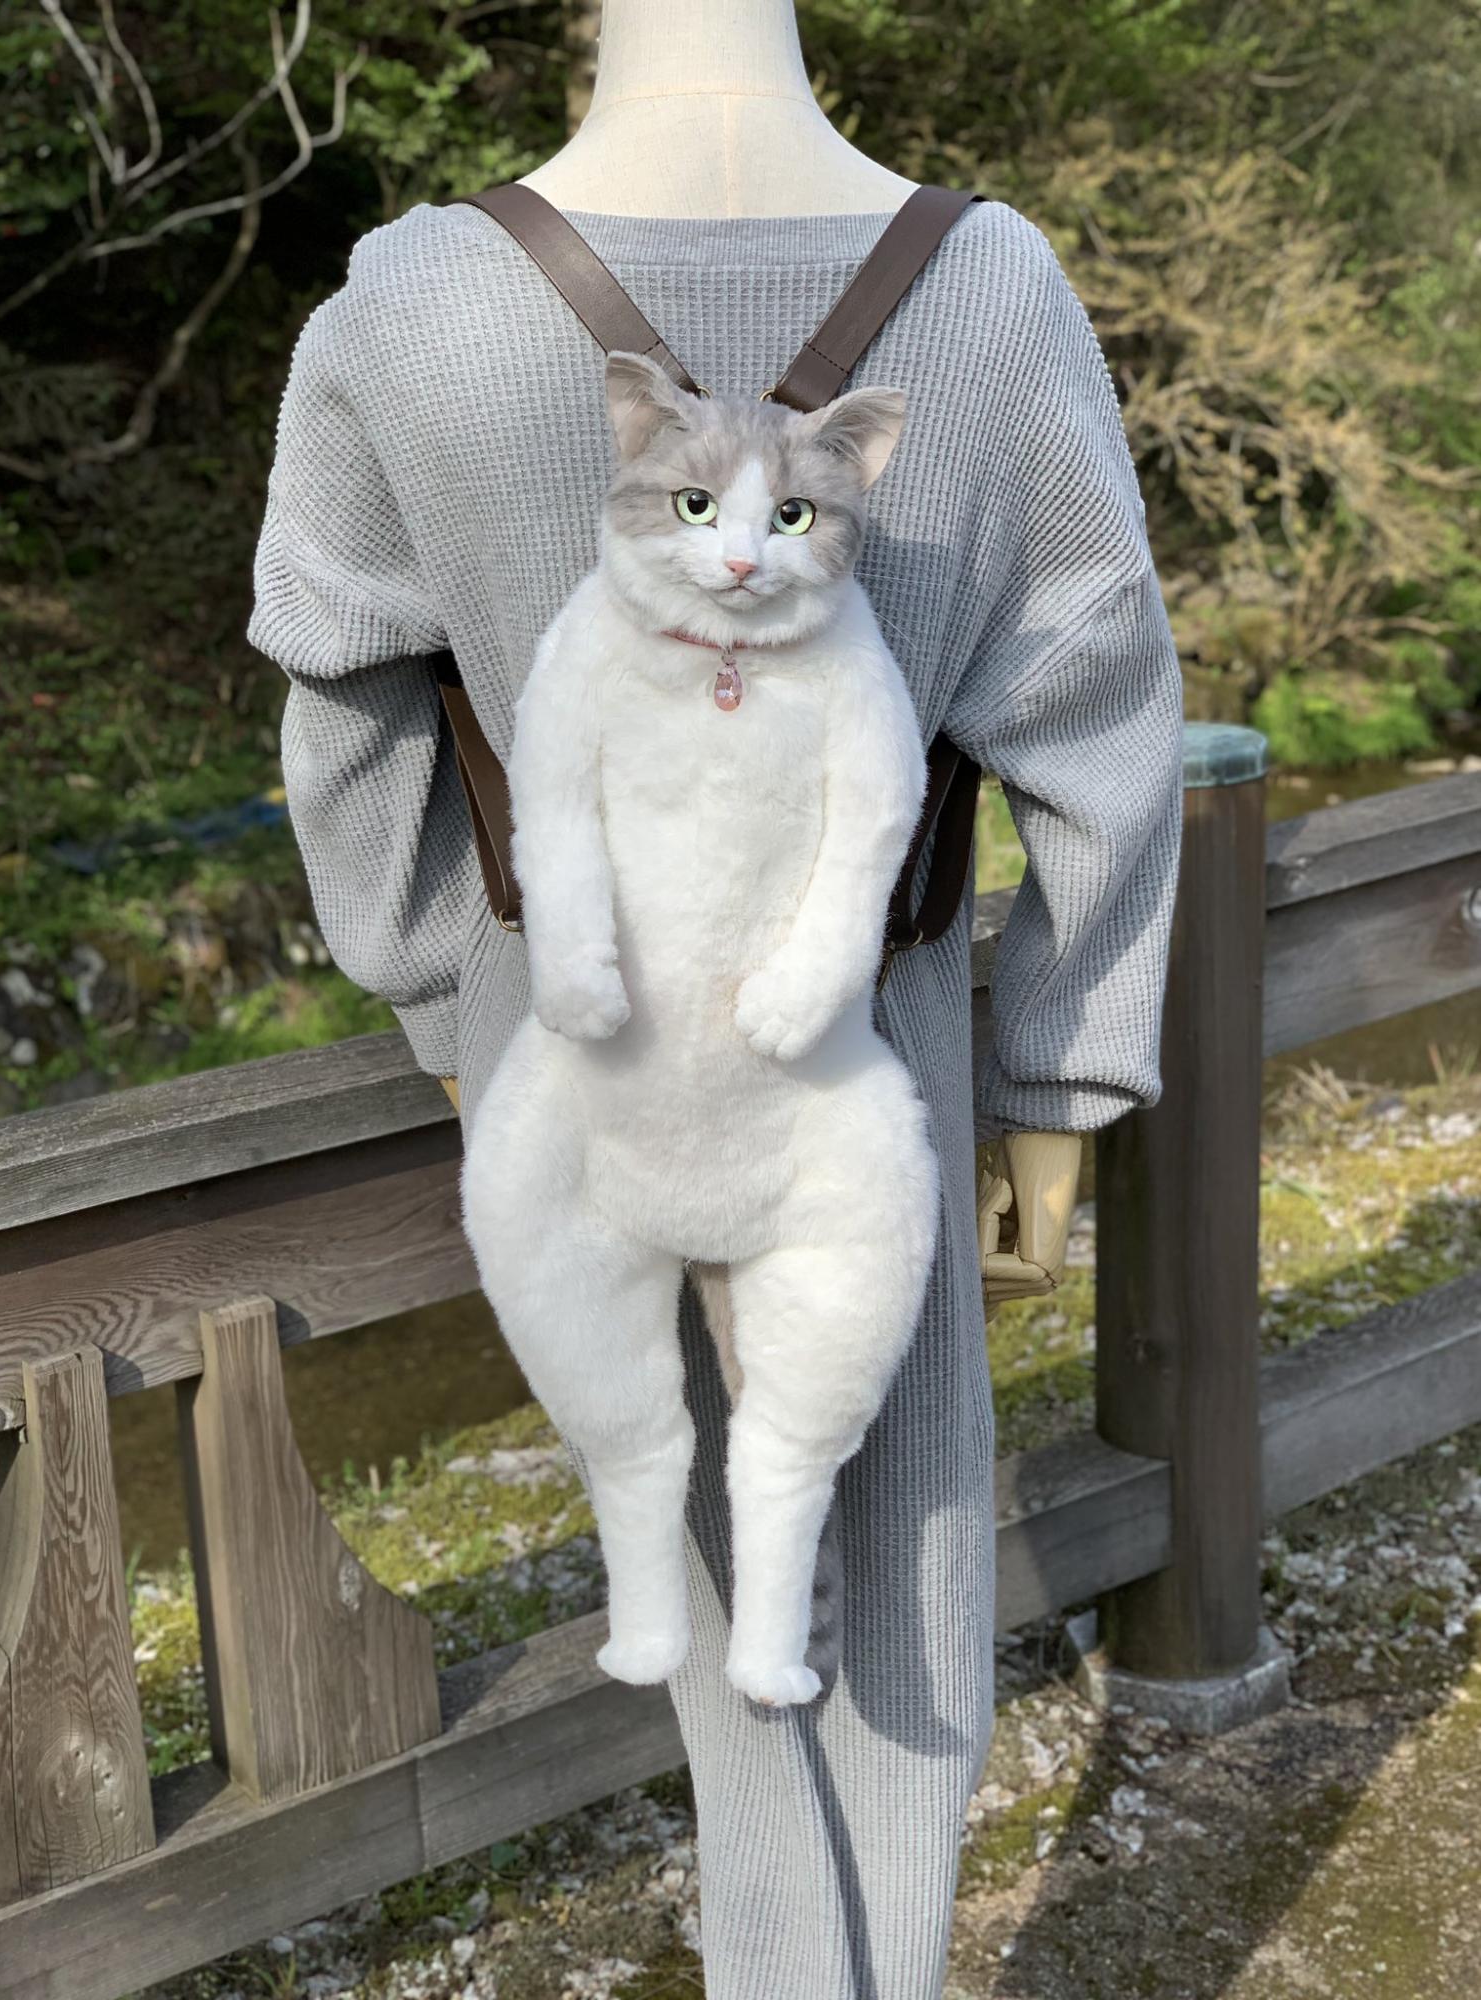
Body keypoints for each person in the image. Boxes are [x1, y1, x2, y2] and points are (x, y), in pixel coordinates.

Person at [246, 4, 1184, 1992]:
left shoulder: (411, 305)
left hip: (564, 1058)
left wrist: (441, 1006)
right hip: (874, 1039)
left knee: (704, 1567)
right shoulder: (994, 290)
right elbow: (1100, 703)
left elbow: (339, 695)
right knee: (900, 1567)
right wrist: (1059, 1076)